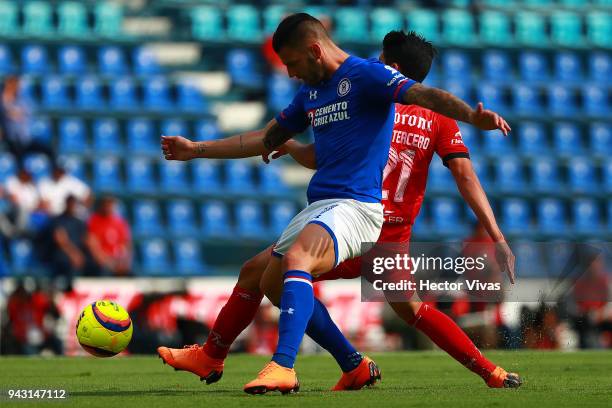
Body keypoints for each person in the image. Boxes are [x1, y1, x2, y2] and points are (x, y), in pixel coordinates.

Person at [160, 14, 511, 394]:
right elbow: (463, 172)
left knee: (288, 267)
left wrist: (471, 116)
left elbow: (424, 103)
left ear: (392, 67)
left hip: (356, 215)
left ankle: (283, 364)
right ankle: (481, 372)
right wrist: (196, 148)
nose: (291, 73)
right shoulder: (382, 104)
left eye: (292, 63)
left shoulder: (369, 82)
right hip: (381, 235)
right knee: (271, 279)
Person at [0, 76, 57, 170]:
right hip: (9, 139)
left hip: (24, 139)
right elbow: (7, 113)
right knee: (17, 153)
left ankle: (54, 175)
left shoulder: (22, 100)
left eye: (17, 85)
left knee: (49, 150)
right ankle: (20, 176)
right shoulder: (2, 101)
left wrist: (13, 112)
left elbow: (25, 113)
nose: (16, 88)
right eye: (12, 85)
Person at [87, 196, 132, 276]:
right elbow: (94, 247)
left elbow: (126, 245)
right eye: (106, 204)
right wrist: (110, 264)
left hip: (118, 261)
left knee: (132, 274)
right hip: (104, 263)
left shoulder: (120, 222)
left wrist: (124, 262)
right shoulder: (94, 221)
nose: (108, 207)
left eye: (110, 204)